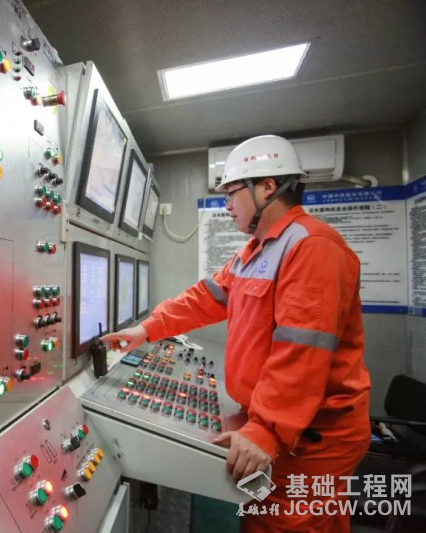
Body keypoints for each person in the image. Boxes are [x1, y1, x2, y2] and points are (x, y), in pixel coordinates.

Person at [101, 135, 371, 532]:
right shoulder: (255, 251)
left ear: (267, 187)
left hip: (312, 438)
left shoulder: (313, 247)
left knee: (287, 524)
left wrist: (266, 430)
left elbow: (301, 354)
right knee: (262, 515)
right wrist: (148, 328)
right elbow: (204, 299)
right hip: (279, 424)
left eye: (231, 192)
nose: (226, 204)